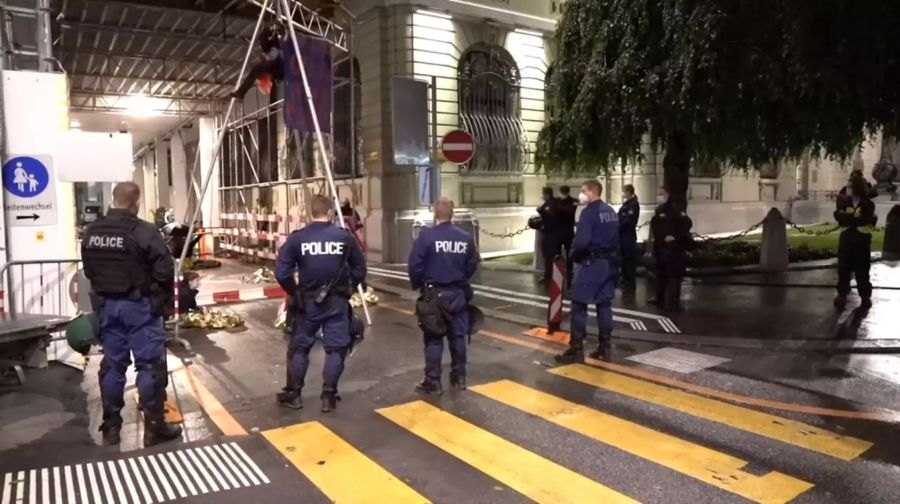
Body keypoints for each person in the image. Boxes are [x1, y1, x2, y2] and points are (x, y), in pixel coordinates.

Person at [81, 182, 182, 447]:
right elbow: (164, 269)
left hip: (108, 306)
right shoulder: (143, 231)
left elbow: (89, 269)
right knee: (150, 365)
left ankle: (111, 427)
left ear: (114, 200)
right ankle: (154, 427)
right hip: (139, 307)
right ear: (136, 202)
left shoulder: (92, 231)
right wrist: (157, 299)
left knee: (113, 366)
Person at [275, 194, 367, 412]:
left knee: (300, 348)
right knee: (336, 349)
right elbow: (360, 269)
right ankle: (328, 397)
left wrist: (294, 292)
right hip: (336, 302)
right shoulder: (344, 238)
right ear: (330, 213)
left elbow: (282, 272)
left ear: (310, 212)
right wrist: (349, 288)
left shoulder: (298, 239)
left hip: (307, 303)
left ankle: (295, 395)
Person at [408, 197, 479, 395]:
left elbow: (415, 266)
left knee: (433, 337)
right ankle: (460, 377)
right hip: (457, 293)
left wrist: (420, 285)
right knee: (457, 336)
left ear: (435, 214)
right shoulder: (465, 237)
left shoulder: (426, 237)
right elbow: (472, 264)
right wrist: (461, 279)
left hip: (434, 294)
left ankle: (433, 381)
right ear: (452, 214)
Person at [555, 180, 619, 363]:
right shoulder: (610, 211)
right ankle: (605, 347)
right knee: (604, 305)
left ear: (592, 192)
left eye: (583, 191)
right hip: (609, 264)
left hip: (592, 264)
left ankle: (576, 349)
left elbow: (582, 241)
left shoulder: (588, 213)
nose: (581, 195)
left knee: (579, 305)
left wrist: (573, 256)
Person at [834, 177, 877, 309]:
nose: (848, 188)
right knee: (843, 269)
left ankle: (865, 297)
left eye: (851, 186)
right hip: (847, 239)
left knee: (862, 270)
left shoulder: (868, 204)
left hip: (861, 240)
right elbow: (838, 216)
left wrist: (849, 219)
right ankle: (842, 294)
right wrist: (853, 218)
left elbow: (867, 219)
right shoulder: (844, 202)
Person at [649, 187, 693, 311]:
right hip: (660, 246)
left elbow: (687, 223)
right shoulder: (659, 209)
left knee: (673, 275)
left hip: (672, 248)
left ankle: (672, 302)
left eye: (661, 194)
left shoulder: (675, 208)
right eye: (658, 194)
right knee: (660, 273)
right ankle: (659, 298)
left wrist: (674, 236)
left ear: (667, 194)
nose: (659, 196)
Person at [230, 24, 284, 99]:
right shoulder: (278, 75)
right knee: (256, 70)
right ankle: (241, 93)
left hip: (276, 61)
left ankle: (241, 92)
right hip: (275, 63)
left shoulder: (275, 43)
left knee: (274, 52)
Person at [537, 186, 564, 283]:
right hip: (548, 233)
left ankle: (555, 276)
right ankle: (548, 275)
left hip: (552, 234)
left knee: (552, 255)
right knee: (547, 256)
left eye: (543, 193)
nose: (542, 195)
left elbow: (550, 216)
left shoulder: (553, 203)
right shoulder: (548, 203)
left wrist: (541, 211)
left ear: (547, 194)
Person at [618, 184, 640, 287]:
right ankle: (624, 278)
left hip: (628, 235)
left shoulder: (633, 204)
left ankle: (630, 280)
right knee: (623, 258)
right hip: (622, 236)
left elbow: (629, 220)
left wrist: (618, 226)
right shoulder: (625, 205)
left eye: (625, 191)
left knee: (629, 259)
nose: (623, 194)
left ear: (629, 192)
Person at [558, 185, 579, 283]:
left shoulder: (573, 201)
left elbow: (570, 211)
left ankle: (569, 274)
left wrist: (559, 207)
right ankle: (558, 273)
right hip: (559, 231)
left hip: (568, 230)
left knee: (569, 253)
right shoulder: (558, 201)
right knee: (557, 254)